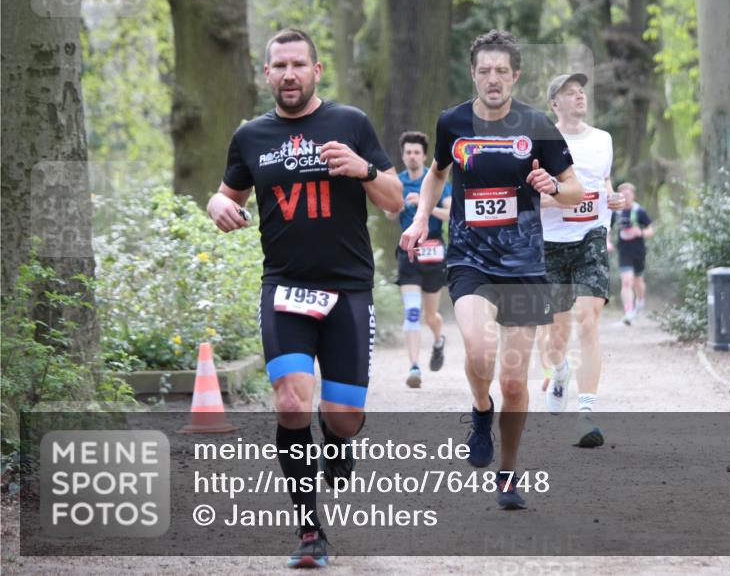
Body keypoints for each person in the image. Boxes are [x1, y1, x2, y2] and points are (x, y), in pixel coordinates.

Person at [207, 28, 402, 567]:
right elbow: (226, 194)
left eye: (298, 65)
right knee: (292, 403)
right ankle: (309, 531)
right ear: (266, 74)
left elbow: (394, 199)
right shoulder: (251, 135)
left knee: (342, 417)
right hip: (285, 288)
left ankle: (339, 442)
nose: (289, 74)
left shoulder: (350, 124)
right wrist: (216, 207)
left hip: (347, 290)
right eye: (279, 66)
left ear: (317, 71)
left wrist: (362, 169)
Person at [399, 30, 583, 510]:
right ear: (473, 74)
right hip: (469, 259)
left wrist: (551, 185)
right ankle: (481, 410)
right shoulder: (452, 122)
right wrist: (422, 218)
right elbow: (438, 171)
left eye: (502, 70)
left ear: (516, 75)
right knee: (481, 354)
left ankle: (508, 472)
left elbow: (575, 190)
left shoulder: (536, 123)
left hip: (523, 264)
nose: (493, 79)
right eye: (485, 70)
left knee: (516, 380)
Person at [538, 73, 625, 447]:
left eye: (581, 92)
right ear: (554, 104)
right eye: (569, 93)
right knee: (555, 337)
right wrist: (567, 197)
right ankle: (559, 373)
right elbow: (529, 198)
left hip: (591, 237)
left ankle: (586, 413)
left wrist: (613, 196)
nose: (579, 97)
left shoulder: (602, 139)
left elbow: (604, 182)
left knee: (588, 322)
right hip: (550, 242)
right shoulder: (540, 142)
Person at [386, 130, 452, 388]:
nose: (412, 156)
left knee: (430, 315)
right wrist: (399, 205)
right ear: (403, 156)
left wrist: (424, 207)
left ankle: (438, 340)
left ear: (424, 156)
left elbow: (451, 213)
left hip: (433, 249)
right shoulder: (398, 182)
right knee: (412, 311)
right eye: (408, 152)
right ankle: (414, 367)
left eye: (417, 152)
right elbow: (389, 213)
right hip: (408, 251)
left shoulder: (435, 180)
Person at [608, 183, 654, 325]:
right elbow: (607, 228)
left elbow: (650, 230)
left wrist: (640, 232)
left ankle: (640, 303)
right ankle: (628, 312)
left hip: (638, 250)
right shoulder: (616, 213)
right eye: (623, 195)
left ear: (633, 195)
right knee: (627, 281)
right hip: (624, 251)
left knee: (638, 282)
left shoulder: (639, 211)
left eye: (628, 195)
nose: (626, 197)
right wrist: (607, 242)